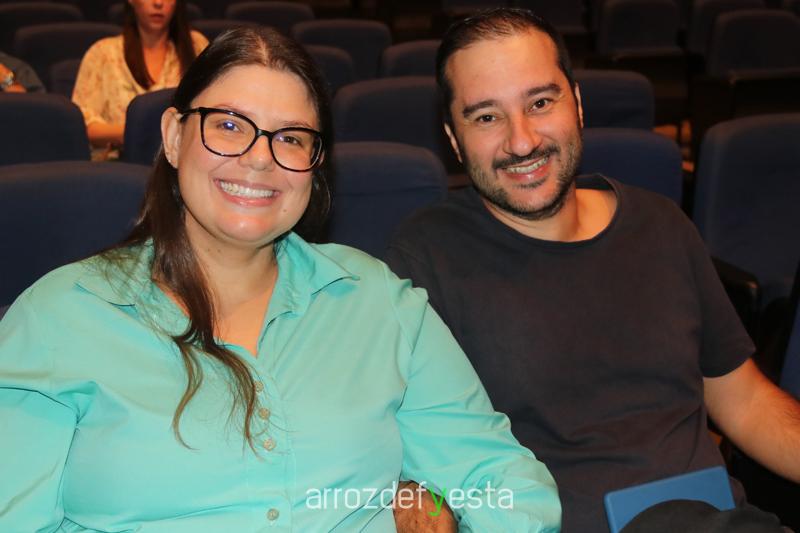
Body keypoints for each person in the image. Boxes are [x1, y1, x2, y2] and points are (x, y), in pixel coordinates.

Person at [0, 27, 560, 532]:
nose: (259, 159)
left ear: (316, 166)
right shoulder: (59, 318)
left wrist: (451, 513)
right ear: (173, 136)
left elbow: (505, 485)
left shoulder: (377, 302)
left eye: (291, 137)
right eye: (228, 126)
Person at [386, 8, 800, 532]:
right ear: (453, 138)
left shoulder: (660, 224)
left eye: (540, 103)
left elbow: (744, 402)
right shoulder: (423, 261)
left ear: (577, 104)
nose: (522, 141)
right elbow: (394, 452)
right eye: (486, 117)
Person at [72, 0, 207, 159]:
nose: (158, 3)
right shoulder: (102, 53)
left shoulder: (197, 47)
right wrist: (142, 134)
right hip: (120, 164)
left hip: (182, 161)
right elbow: (85, 126)